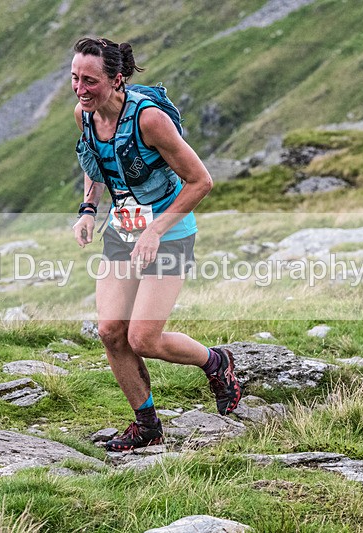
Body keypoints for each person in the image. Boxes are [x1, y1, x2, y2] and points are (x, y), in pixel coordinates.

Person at [70, 37, 242, 452]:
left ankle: (215, 362)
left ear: (117, 79)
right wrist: (89, 208)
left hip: (168, 235)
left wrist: (155, 230)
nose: (80, 89)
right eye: (75, 78)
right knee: (111, 331)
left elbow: (201, 181)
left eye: (90, 81)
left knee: (143, 338)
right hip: (122, 232)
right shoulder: (85, 115)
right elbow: (96, 160)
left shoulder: (149, 120)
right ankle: (146, 425)